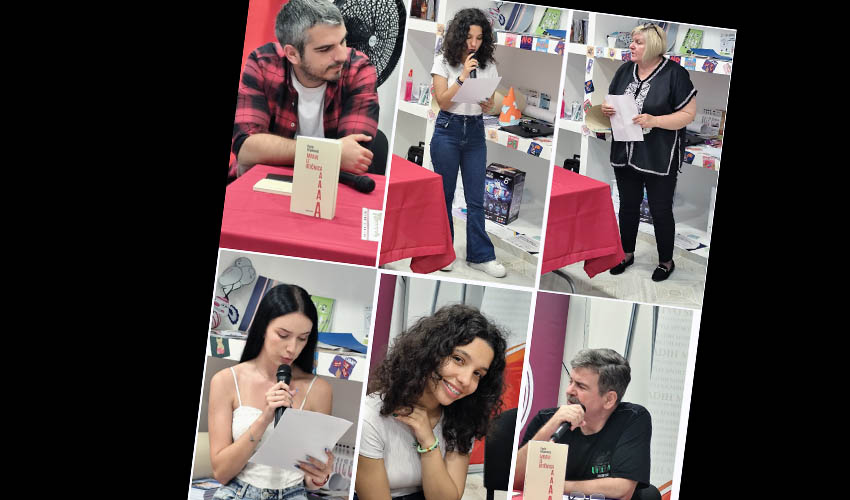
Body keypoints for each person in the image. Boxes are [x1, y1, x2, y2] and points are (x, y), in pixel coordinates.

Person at [355, 304, 508, 500]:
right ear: (431, 351)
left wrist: (428, 442)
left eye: (477, 373)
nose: (466, 380)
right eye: (458, 359)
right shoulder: (370, 417)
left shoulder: (464, 417)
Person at [208, 284, 335, 499]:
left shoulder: (320, 390)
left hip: (292, 492)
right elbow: (221, 473)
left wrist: (319, 477)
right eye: (283, 335)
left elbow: (310, 478)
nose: (292, 348)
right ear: (263, 328)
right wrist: (265, 417)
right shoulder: (226, 381)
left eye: (302, 338)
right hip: (238, 491)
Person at [229, 0, 379, 181]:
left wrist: (270, 152)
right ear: (292, 54)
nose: (341, 56)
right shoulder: (263, 62)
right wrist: (329, 153)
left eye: (342, 41)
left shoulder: (359, 69)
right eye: (325, 49)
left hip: (329, 185)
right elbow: (246, 148)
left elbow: (355, 156)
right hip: (268, 183)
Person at [601, 23, 697, 282]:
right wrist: (607, 109)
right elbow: (612, 102)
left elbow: (688, 114)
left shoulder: (675, 74)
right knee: (627, 206)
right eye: (632, 41)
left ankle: (666, 261)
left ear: (653, 46)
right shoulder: (624, 70)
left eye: (638, 42)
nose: (631, 46)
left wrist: (655, 121)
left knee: (660, 211)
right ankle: (626, 253)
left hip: (659, 155)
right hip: (625, 151)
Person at [513, 349, 653, 500]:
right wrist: (551, 425)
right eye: (570, 381)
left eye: (580, 386)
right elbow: (515, 480)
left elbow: (622, 489)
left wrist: (553, 486)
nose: (569, 391)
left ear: (609, 399)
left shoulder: (633, 418)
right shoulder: (547, 419)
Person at [430, 9, 506, 278]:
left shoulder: (488, 65)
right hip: (447, 130)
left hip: (474, 130)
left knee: (476, 198)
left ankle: (480, 256)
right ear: (459, 35)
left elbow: (490, 104)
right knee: (445, 195)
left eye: (479, 38)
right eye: (469, 37)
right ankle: (443, 252)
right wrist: (462, 76)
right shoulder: (443, 61)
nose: (474, 43)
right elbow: (442, 101)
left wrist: (488, 104)